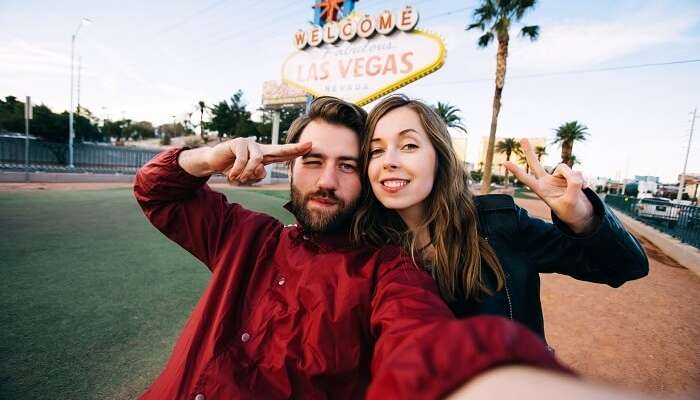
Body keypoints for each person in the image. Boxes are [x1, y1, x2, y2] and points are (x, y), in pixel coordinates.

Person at [133, 96, 567, 399]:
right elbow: (158, 193)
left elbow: (420, 341)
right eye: (313, 161)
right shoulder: (243, 235)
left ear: (366, 180)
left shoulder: (389, 272)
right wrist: (206, 158)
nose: (326, 181)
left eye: (346, 166)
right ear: (287, 166)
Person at [353, 94, 649, 341]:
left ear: (439, 157)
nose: (389, 161)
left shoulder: (500, 224)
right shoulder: (363, 245)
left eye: (409, 146)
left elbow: (626, 266)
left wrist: (583, 217)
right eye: (376, 150)